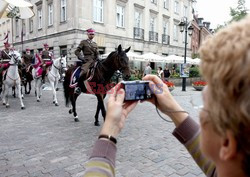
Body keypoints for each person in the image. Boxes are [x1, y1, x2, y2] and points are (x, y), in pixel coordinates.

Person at [83, 16, 250, 177]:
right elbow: (216, 170)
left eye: (203, 105)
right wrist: (173, 109)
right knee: (83, 71)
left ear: (227, 143)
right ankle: (78, 85)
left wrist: (108, 132)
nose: (199, 111)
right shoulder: (233, 167)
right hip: (88, 61)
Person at [74, 28, 100, 94]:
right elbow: (77, 51)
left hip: (95, 60)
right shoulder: (83, 42)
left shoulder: (95, 44)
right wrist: (81, 58)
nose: (92, 35)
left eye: (93, 34)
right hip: (87, 60)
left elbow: (97, 53)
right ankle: (78, 86)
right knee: (83, 71)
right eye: (90, 34)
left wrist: (99, 58)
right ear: (88, 34)